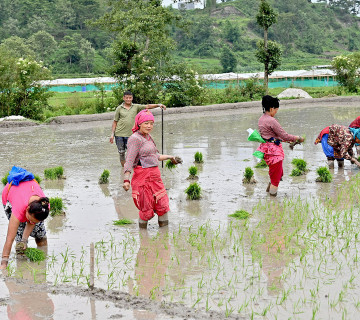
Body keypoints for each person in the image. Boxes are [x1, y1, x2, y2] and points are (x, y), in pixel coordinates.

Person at [123, 109, 181, 228]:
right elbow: (129, 160)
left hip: (155, 177)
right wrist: (126, 180)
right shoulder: (135, 139)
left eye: (151, 123)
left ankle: (164, 236)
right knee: (146, 209)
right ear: (139, 123)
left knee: (163, 205)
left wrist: (170, 157)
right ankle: (143, 239)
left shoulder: (148, 137)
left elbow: (155, 156)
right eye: (146, 123)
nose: (149, 126)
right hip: (143, 179)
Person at [1, 167, 49, 269]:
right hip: (11, 198)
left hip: (30, 200)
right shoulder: (18, 208)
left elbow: (33, 221)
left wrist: (25, 239)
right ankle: (21, 268)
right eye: (30, 219)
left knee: (40, 234)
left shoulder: (44, 206)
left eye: (34, 221)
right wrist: (4, 263)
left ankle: (43, 264)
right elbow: (9, 238)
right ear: (27, 209)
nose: (31, 222)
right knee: (19, 239)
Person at [257, 95, 304, 196]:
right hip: (274, 153)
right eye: (276, 110)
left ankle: (268, 193)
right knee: (275, 180)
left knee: (277, 174)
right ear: (271, 108)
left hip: (267, 150)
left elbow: (270, 136)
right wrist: (298, 138)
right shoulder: (271, 121)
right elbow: (284, 135)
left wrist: (285, 140)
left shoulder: (261, 119)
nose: (276, 113)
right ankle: (272, 201)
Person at [109, 91, 166, 167]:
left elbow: (147, 106)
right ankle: (124, 169)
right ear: (123, 98)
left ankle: (133, 168)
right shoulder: (119, 108)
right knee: (121, 153)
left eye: (130, 98)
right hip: (119, 134)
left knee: (132, 153)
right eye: (126, 98)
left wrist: (158, 105)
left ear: (132, 98)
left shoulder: (136, 107)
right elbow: (115, 122)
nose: (128, 99)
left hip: (131, 135)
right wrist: (112, 135)